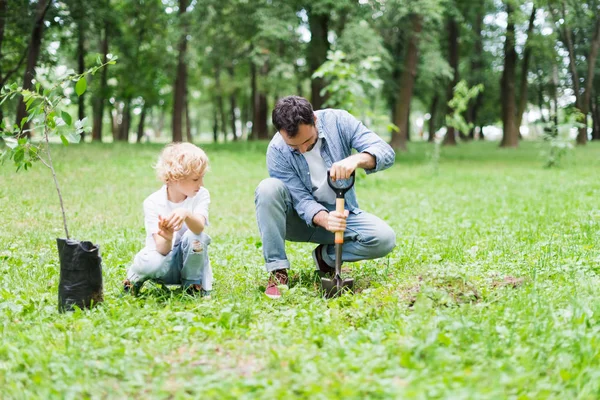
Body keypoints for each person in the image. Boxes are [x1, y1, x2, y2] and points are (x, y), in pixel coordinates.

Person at [255, 95, 397, 299]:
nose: (303, 149)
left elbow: (386, 152)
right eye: (295, 147)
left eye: (307, 141)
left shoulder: (339, 121)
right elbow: (301, 199)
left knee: (384, 238)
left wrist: (357, 159)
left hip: (341, 214)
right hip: (297, 221)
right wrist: (323, 219)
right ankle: (278, 272)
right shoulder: (277, 149)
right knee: (267, 188)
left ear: (314, 120)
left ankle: (326, 257)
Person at [124, 142, 212, 297]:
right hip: (162, 264)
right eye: (195, 179)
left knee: (197, 238)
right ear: (175, 177)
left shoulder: (201, 195)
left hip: (189, 263)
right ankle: (134, 278)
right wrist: (168, 237)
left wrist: (186, 213)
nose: (201, 184)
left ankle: (191, 285)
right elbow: (162, 249)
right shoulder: (153, 202)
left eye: (202, 178)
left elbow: (198, 228)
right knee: (152, 261)